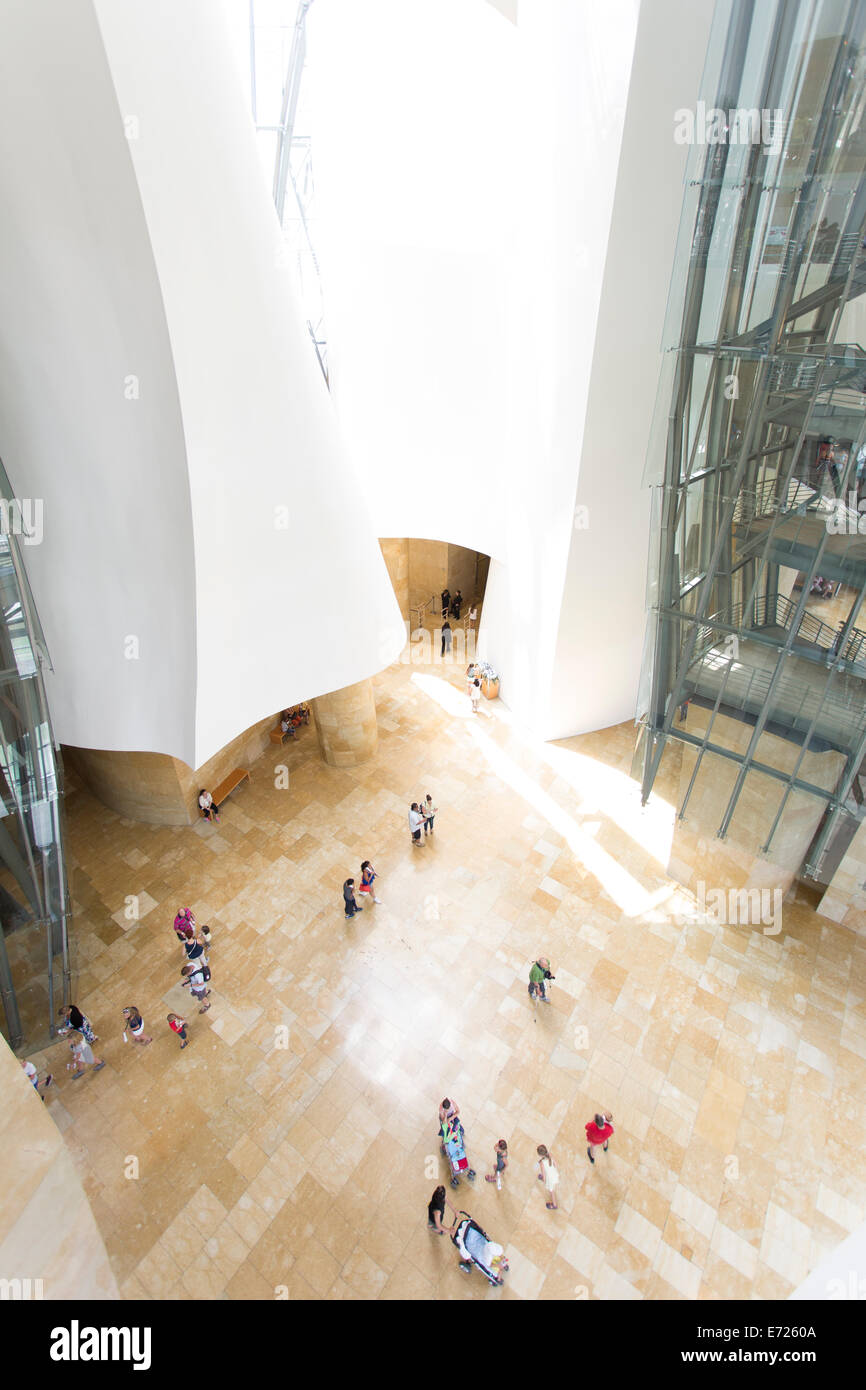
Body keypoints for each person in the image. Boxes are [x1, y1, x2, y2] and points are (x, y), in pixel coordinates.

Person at [536, 1144, 560, 1209]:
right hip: (554, 1174)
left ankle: (554, 1205)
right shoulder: (550, 1155)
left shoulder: (542, 1163)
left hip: (550, 1180)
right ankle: (554, 1204)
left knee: (551, 1191)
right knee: (551, 1190)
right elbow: (555, 1164)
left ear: (540, 1155)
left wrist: (544, 1180)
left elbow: (544, 1175)